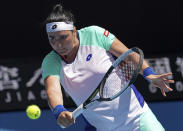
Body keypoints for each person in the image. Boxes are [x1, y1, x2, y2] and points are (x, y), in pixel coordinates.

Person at [41, 3, 174, 131]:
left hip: (137, 117)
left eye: (63, 37)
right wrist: (59, 111)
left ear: (74, 31)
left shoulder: (94, 34)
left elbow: (127, 55)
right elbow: (53, 89)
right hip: (101, 127)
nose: (58, 44)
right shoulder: (51, 61)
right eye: (52, 38)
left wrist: (148, 73)